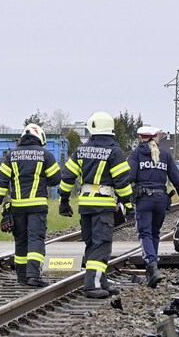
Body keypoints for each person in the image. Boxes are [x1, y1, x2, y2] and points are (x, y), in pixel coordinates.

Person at [58, 111, 133, 299]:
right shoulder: (115, 152)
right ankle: (92, 285)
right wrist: (128, 205)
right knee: (102, 245)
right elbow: (122, 182)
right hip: (103, 205)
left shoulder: (81, 150)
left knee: (92, 244)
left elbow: (67, 177)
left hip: (85, 205)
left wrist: (64, 201)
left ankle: (102, 282)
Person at [0, 123, 61, 287]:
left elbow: (2, 181)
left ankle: (22, 277)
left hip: (17, 207)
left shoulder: (11, 155)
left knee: (21, 241)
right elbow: (56, 179)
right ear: (40, 137)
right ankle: (33, 277)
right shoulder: (45, 155)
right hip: (37, 207)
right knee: (35, 240)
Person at [128, 126, 179, 288]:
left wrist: (122, 199)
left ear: (140, 137)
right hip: (161, 199)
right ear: (157, 136)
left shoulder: (136, 155)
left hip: (144, 199)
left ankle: (151, 265)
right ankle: (152, 270)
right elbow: (178, 181)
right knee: (154, 233)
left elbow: (129, 177)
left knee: (144, 233)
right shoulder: (165, 155)